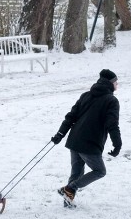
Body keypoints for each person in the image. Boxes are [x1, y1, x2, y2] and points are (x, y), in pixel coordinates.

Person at [51, 68, 122, 209]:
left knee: (77, 172)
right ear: (110, 83)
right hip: (89, 143)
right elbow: (112, 124)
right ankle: (69, 189)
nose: (117, 85)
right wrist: (117, 144)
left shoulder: (86, 95)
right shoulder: (111, 100)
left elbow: (70, 117)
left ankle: (68, 201)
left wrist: (60, 134)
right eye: (116, 82)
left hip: (74, 140)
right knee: (100, 171)